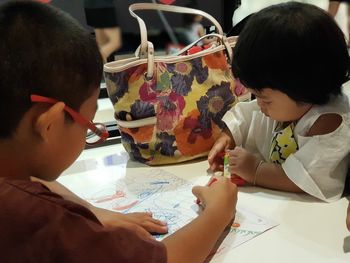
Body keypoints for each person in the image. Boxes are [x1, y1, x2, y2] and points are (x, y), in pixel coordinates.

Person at [0, 1, 237, 262]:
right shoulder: (36, 220)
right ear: (49, 124)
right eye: (90, 125)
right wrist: (218, 212)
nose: (90, 131)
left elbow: (34, 182)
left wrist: (91, 211)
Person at [209, 2, 350, 202]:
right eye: (255, 95)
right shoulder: (285, 102)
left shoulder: (328, 121)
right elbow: (247, 115)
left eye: (264, 98)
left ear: (303, 86)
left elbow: (310, 178)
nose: (258, 104)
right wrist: (228, 136)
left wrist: (256, 170)